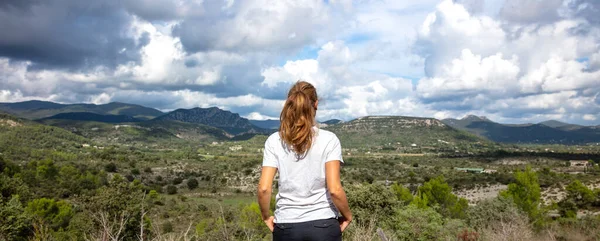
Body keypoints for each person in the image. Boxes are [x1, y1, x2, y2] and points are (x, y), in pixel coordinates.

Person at [257, 81, 352, 241]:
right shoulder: (329, 140)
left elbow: (264, 188)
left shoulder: (274, 141)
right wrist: (347, 216)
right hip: (324, 225)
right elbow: (334, 189)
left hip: (287, 226)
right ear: (315, 104)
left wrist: (266, 216)